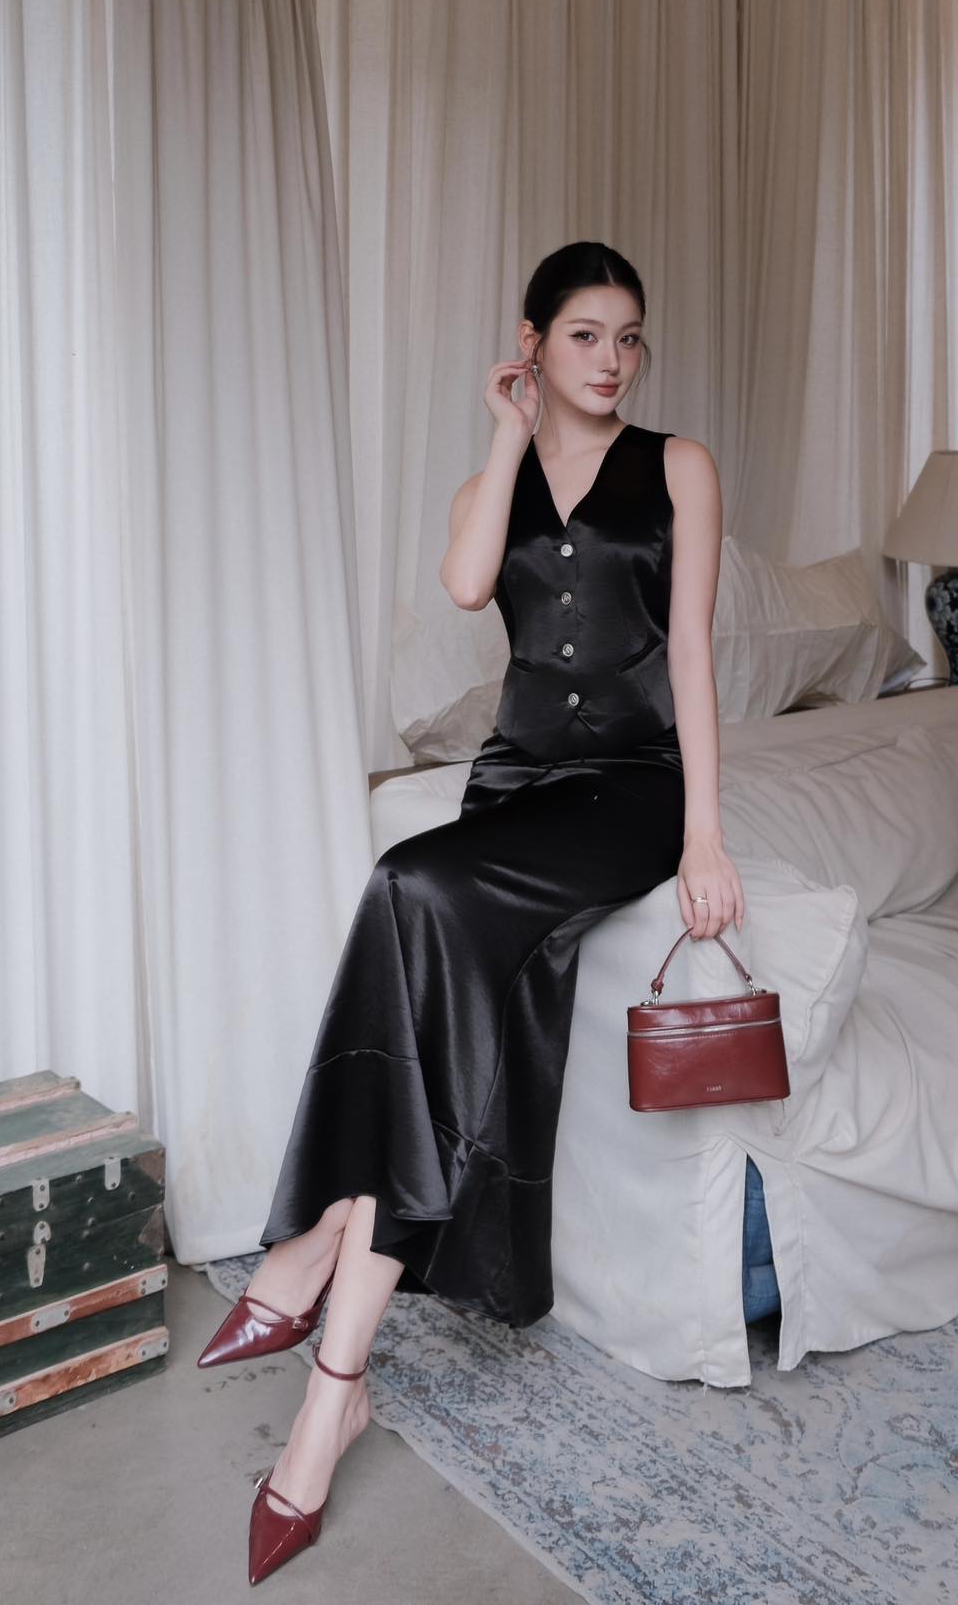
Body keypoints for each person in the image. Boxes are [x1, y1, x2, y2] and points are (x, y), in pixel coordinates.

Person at [196, 241, 745, 1585]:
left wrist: (705, 832)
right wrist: (507, 436)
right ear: (532, 343)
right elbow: (462, 583)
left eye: (629, 337)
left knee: (409, 883)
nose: (612, 361)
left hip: (628, 789)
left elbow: (688, 655)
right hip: (517, 780)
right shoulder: (491, 474)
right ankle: (337, 1353)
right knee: (416, 902)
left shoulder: (679, 468)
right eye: (584, 336)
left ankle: (322, 1298)